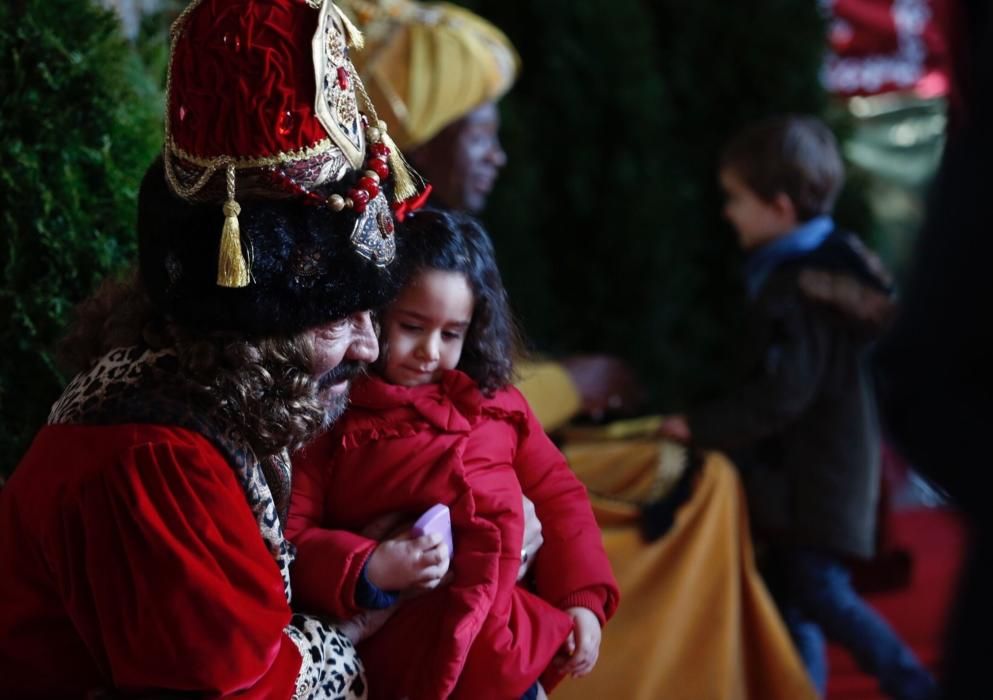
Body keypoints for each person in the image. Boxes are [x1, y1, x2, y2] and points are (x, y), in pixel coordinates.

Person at [0, 0, 427, 696]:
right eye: (340, 319)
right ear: (258, 331)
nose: (369, 345)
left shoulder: (209, 412)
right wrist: (339, 649)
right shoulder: (156, 464)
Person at [658, 114, 936, 700]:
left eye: (735, 200)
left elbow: (783, 393)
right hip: (824, 477)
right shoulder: (836, 267)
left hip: (814, 480)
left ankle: (914, 684)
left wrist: (701, 427)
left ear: (779, 208)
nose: (729, 213)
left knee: (819, 595)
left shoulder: (795, 289)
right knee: (800, 597)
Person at [287, 210, 619, 700]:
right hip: (403, 659)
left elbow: (559, 497)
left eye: (451, 334)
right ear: (375, 313)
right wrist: (371, 566)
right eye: (412, 326)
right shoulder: (335, 418)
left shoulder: (498, 405)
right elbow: (293, 540)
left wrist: (582, 599)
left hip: (507, 651)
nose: (429, 350)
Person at [339, 0, 643, 430]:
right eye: (480, 138)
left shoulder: (446, 233)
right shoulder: (382, 241)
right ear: (424, 142)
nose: (497, 157)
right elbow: (428, 391)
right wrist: (571, 384)